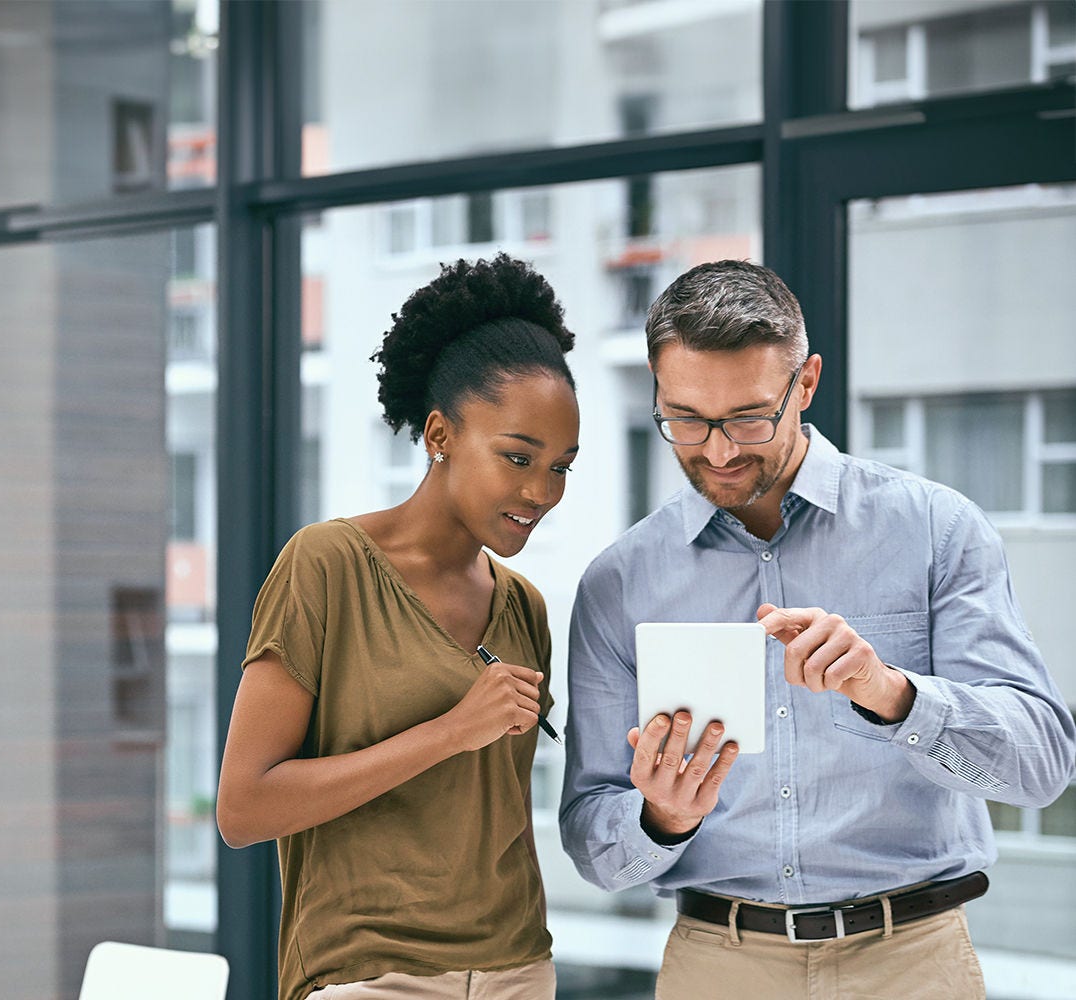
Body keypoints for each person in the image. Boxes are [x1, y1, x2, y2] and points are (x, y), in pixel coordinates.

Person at [559, 259, 1075, 998]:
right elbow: (590, 839)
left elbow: (1043, 765)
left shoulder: (935, 530)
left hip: (911, 964)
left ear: (806, 384)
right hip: (719, 967)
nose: (718, 450)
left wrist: (894, 694)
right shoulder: (619, 583)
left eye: (748, 417)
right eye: (686, 419)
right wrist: (660, 820)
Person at [217, 254, 581, 1000]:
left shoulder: (523, 606)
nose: (541, 491)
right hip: (370, 975)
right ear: (441, 434)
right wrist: (451, 730)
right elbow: (243, 808)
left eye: (561, 467)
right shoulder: (326, 566)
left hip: (520, 968)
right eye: (518, 457)